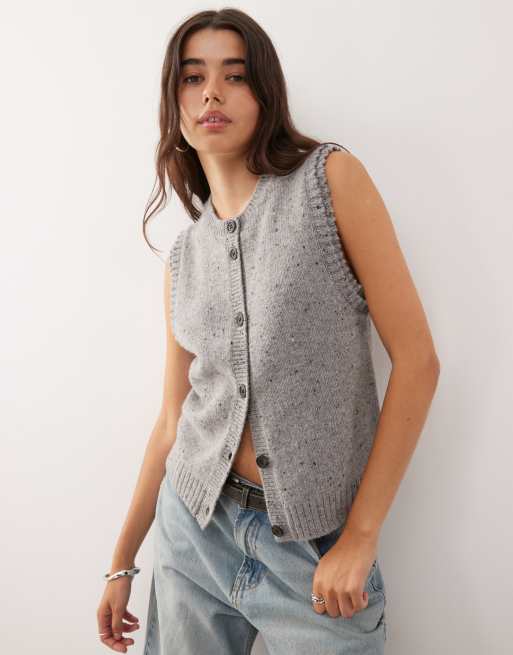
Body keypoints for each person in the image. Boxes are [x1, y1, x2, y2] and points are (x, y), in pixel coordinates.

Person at [96, 8, 440, 654]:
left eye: (235, 76)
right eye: (193, 78)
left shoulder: (328, 181)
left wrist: (361, 535)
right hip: (193, 536)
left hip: (315, 555)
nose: (212, 93)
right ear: (175, 103)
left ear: (265, 94)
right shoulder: (184, 258)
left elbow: (418, 361)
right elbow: (172, 421)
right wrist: (122, 562)